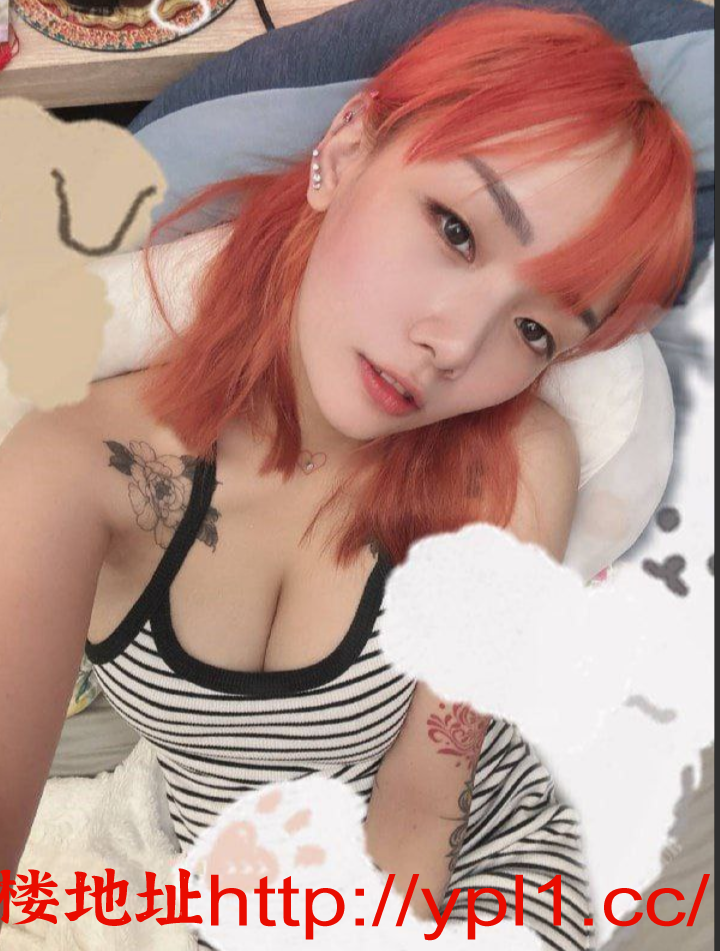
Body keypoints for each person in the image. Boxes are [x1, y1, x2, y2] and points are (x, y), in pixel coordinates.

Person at [0, 5, 695, 948]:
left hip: (476, 870)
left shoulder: (512, 469)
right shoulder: (75, 468)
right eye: (456, 230)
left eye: (536, 330)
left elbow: (423, 805)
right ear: (348, 147)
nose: (456, 345)